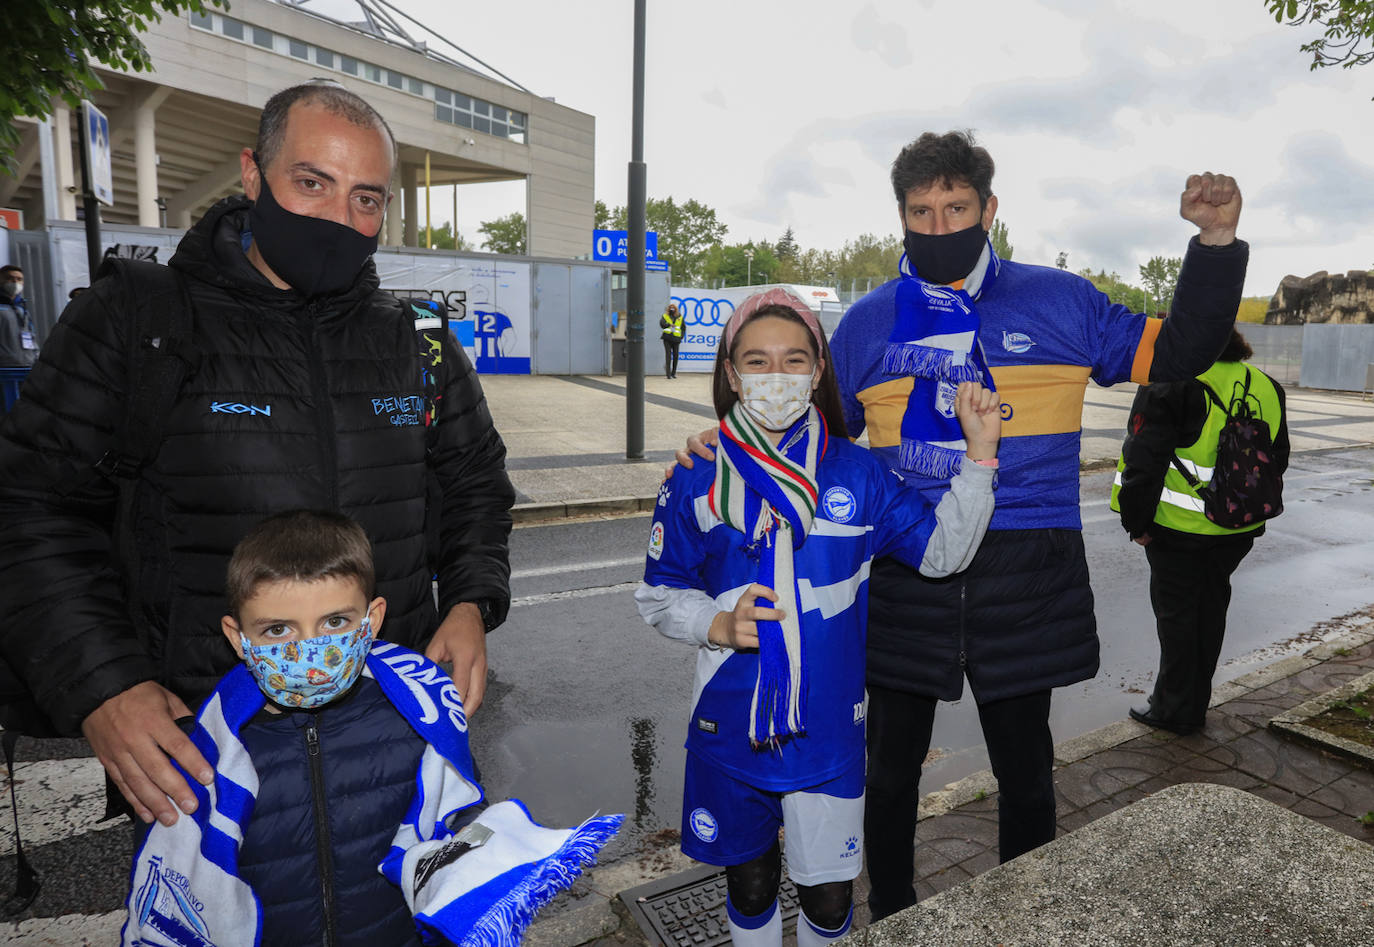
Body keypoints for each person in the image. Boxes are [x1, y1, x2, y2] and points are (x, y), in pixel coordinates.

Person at [675, 131, 1248, 920]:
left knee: (1026, 769)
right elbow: (809, 436)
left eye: (956, 207)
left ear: (990, 209)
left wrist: (1215, 244)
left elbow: (1180, 349)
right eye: (921, 210)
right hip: (907, 562)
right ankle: (896, 917)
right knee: (890, 770)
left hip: (1026, 564)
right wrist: (723, 442)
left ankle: (1020, 916)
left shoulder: (1062, 301)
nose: (939, 225)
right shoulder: (869, 325)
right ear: (900, 215)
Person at [0, 81, 515, 831]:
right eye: (313, 183)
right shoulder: (137, 320)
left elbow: (475, 485)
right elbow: (30, 512)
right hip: (208, 756)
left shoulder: (419, 340)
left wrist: (470, 603)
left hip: (393, 739)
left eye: (366, 199)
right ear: (252, 175)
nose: (342, 218)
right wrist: (105, 688)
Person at [638, 288, 1000, 946]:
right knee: (748, 885)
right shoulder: (696, 474)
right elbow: (657, 594)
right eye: (757, 360)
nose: (776, 377)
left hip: (829, 733)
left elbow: (943, 554)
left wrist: (979, 458)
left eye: (793, 359)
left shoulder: (860, 474)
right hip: (729, 726)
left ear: (818, 371)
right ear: (730, 373)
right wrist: (718, 624)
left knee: (830, 899)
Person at [121, 510, 619, 947]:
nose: (308, 651)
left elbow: (451, 821)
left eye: (335, 622)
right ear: (237, 636)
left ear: (372, 620)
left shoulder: (417, 718)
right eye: (278, 630)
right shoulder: (203, 754)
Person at [1110, 328, 1288, 734]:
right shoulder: (1266, 385)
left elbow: (1143, 460)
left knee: (1177, 619)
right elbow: (1278, 457)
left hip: (1178, 530)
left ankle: (1174, 711)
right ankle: (1191, 701)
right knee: (1209, 612)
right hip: (1238, 529)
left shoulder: (1172, 381)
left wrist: (1136, 524)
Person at [0, 264, 37, 367]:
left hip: (27, 366)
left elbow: (31, 336)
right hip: (5, 370)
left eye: (19, 279)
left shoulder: (22, 309)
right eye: (10, 278)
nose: (15, 282)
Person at [661, 301, 685, 378]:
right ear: (668, 309)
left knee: (675, 356)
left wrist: (681, 336)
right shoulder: (665, 316)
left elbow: (683, 328)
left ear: (676, 309)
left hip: (676, 339)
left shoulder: (680, 317)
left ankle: (673, 373)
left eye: (673, 308)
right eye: (670, 308)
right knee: (668, 356)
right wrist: (669, 324)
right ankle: (668, 374)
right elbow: (662, 324)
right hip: (667, 338)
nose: (672, 309)